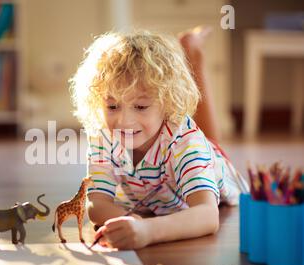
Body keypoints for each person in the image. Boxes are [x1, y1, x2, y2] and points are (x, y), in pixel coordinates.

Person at [69, 27, 246, 250]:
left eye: (141, 106)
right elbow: (96, 204)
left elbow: (207, 216)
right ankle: (189, 47)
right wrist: (133, 222)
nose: (124, 121)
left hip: (208, 162)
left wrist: (148, 231)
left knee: (210, 141)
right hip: (165, 187)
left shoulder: (187, 143)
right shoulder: (103, 137)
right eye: (112, 106)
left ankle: (192, 50)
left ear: (168, 104)